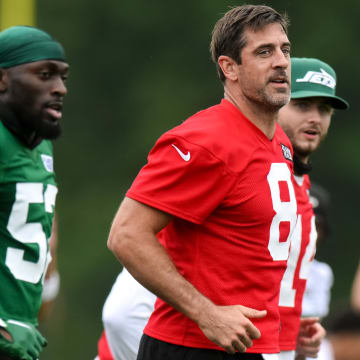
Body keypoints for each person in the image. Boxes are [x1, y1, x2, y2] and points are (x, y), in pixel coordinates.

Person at [107, 4, 298, 360]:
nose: (281, 62)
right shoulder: (206, 140)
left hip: (249, 345)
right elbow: (126, 234)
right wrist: (206, 313)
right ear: (230, 68)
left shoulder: (279, 142)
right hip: (190, 346)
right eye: (263, 52)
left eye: (285, 50)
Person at [0, 25, 69, 360]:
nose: (59, 89)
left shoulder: (39, 144)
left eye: (62, 77)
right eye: (44, 75)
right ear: (2, 80)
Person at [277, 57, 349, 360]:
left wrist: (291, 341)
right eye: (302, 105)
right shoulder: (245, 170)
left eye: (324, 109)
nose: (315, 119)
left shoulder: (300, 185)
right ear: (274, 102)